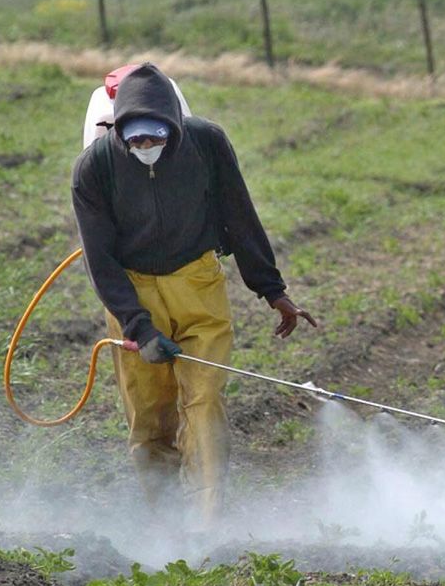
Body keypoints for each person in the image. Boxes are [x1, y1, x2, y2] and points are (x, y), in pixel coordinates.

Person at [70, 62, 317, 530]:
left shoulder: (207, 144)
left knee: (203, 399)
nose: (146, 148)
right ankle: (164, 523)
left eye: (156, 139)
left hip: (198, 284)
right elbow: (100, 262)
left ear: (174, 129)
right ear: (119, 134)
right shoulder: (93, 168)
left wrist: (272, 290)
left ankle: (206, 525)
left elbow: (239, 215)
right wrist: (139, 329)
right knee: (149, 413)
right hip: (132, 291)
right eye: (136, 141)